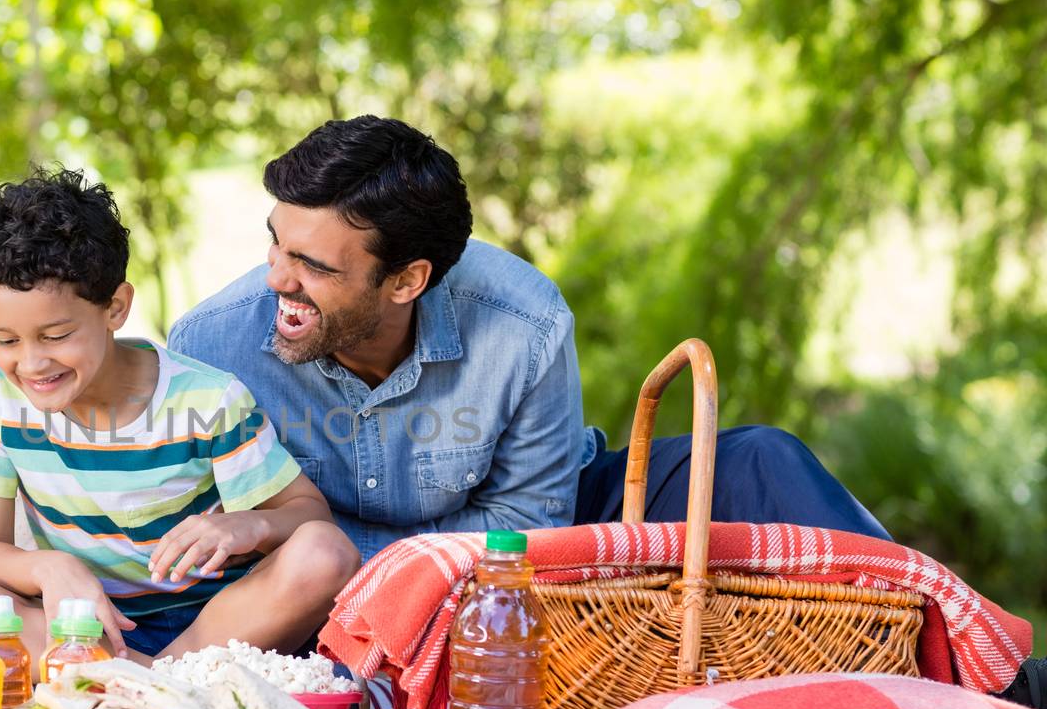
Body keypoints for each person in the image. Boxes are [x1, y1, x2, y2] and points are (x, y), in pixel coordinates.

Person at [168, 115, 892, 562]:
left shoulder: (524, 323)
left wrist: (343, 552)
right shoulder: (211, 345)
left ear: (407, 280)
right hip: (317, 583)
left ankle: (972, 668)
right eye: (276, 245)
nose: (276, 281)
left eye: (313, 266)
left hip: (545, 540)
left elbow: (532, 527)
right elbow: (206, 531)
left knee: (762, 461)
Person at [0, 167, 361, 665]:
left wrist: (248, 526)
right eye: (7, 340)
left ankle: (155, 680)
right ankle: (152, 683)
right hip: (84, 625)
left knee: (324, 552)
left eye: (55, 336)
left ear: (115, 307)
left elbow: (309, 515)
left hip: (216, 623)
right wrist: (48, 569)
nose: (30, 363)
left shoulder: (206, 400)